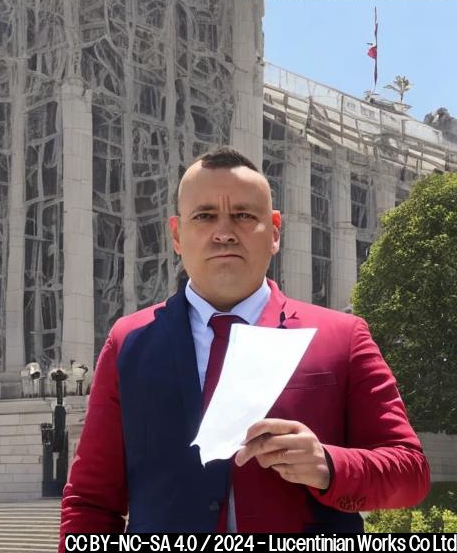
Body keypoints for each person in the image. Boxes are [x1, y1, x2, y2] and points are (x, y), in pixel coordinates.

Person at [60, 147, 429, 538]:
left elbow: (410, 471)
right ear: (176, 235)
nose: (224, 232)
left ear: (273, 232)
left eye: (242, 215)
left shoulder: (343, 337)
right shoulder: (129, 342)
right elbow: (90, 501)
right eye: (204, 216)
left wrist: (329, 465)